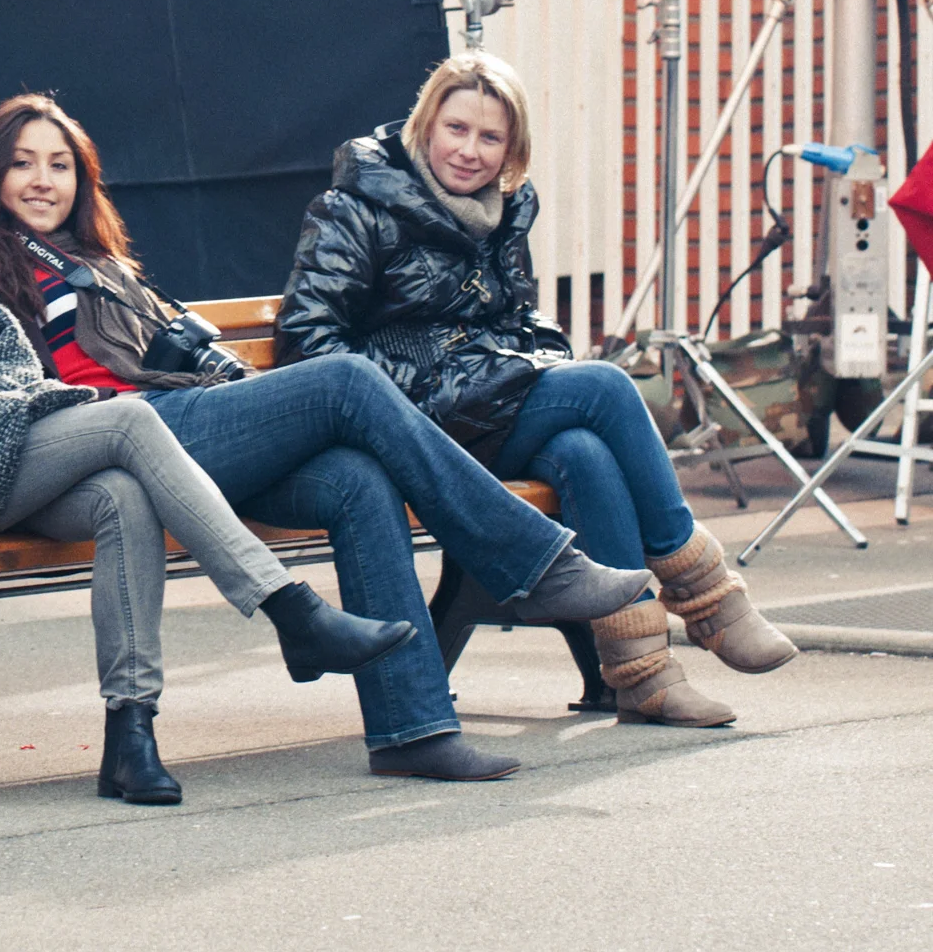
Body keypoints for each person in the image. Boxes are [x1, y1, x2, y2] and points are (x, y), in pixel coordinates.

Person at [0, 78, 429, 807]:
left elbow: (1, 348)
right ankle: (291, 611)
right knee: (129, 422)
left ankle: (131, 735)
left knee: (121, 496)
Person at [0, 92, 653, 781]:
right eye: (23, 163)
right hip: (113, 444)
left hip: (187, 434)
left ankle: (414, 730)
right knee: (346, 381)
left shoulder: (99, 263)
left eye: (60, 165)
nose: (43, 180)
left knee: (356, 480)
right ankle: (533, 563)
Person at [277, 50, 800, 726]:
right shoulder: (352, 209)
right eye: (456, 128)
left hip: (484, 406)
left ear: (511, 149)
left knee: (585, 452)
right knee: (605, 386)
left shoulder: (504, 211)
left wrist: (524, 362)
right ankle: (708, 597)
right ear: (425, 124)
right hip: (412, 426)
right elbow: (306, 341)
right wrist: (420, 387)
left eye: (490, 137)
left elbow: (522, 319)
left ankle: (642, 676)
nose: (469, 151)